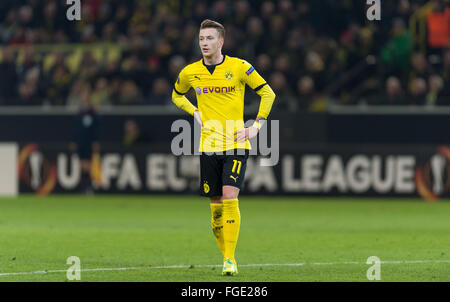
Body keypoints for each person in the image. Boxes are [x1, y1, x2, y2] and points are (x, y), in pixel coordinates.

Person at [171, 19, 276, 276]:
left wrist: (256, 126)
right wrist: (193, 111)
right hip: (208, 146)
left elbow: (268, 93)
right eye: (201, 39)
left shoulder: (240, 67)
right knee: (215, 209)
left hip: (236, 144)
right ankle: (225, 254)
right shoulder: (190, 72)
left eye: (209, 38)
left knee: (230, 197)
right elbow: (176, 94)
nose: (204, 43)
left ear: (221, 42)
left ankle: (229, 259)